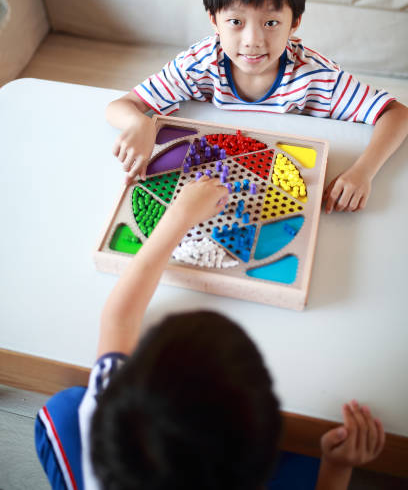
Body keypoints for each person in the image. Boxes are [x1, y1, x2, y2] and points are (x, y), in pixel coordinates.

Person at [72, 177, 383, 489]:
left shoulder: (104, 400)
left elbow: (119, 318)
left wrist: (178, 216)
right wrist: (336, 469)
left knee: (63, 407)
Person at [105, 0, 408, 214]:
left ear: (294, 23)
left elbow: (397, 114)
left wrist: (362, 171)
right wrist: (139, 123)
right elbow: (122, 105)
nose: (252, 40)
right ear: (214, 20)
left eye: (271, 22)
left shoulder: (316, 76)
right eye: (235, 21)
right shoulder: (200, 63)